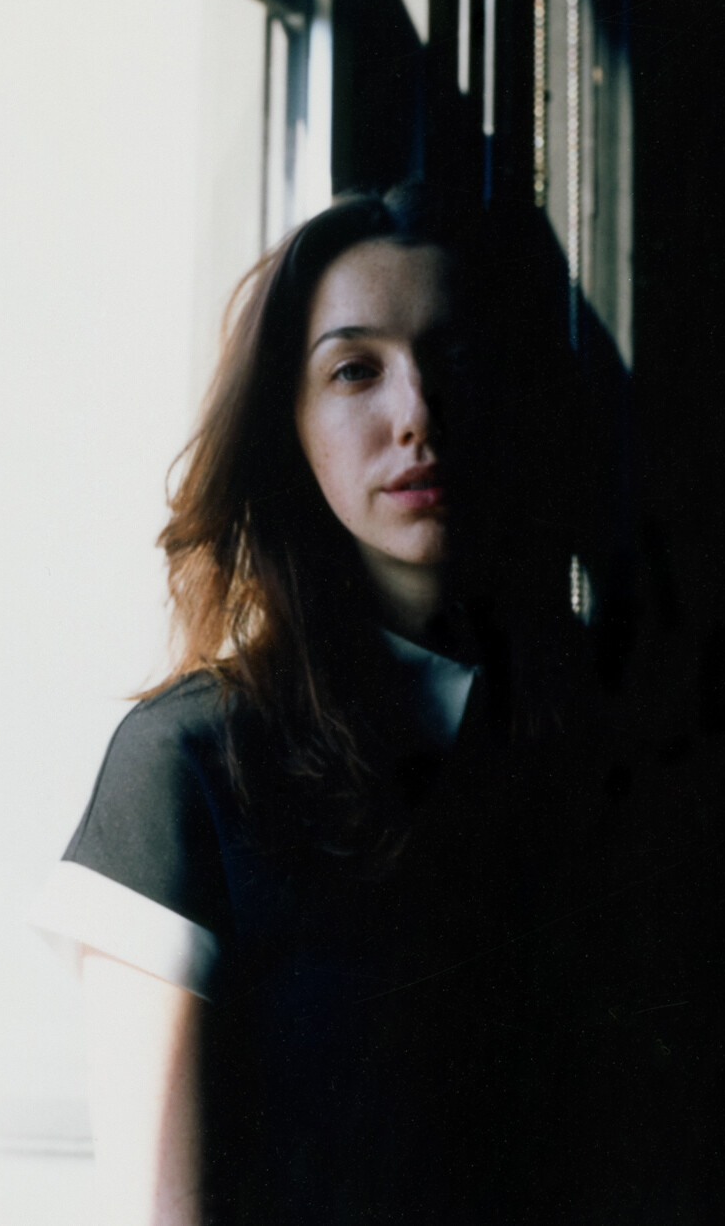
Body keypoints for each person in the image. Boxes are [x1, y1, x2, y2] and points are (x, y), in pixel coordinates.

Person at [30, 183, 615, 1224]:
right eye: (355, 369)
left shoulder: (610, 725)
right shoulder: (187, 765)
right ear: (287, 425)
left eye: (454, 356)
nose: (417, 412)